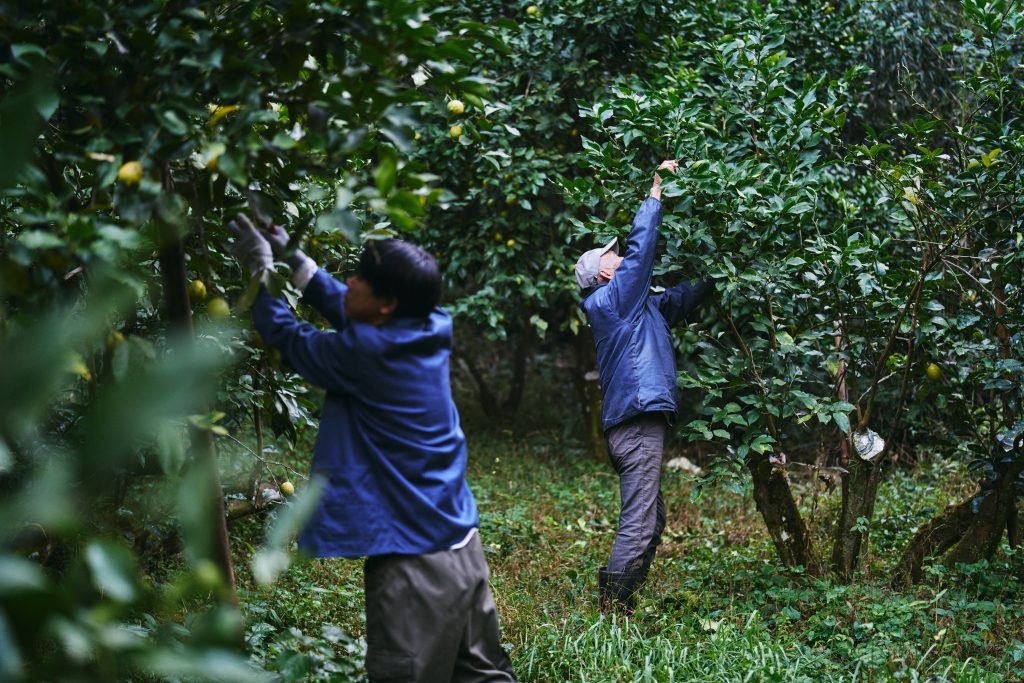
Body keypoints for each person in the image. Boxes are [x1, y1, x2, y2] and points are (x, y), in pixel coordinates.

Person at [229, 215, 517, 683]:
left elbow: (289, 337)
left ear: (386, 304)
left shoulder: (366, 355)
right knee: (484, 675)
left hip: (414, 565)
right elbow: (353, 312)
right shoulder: (428, 325)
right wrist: (295, 260)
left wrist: (261, 273)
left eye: (359, 277)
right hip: (461, 544)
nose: (348, 281)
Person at [574, 160, 713, 613]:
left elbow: (675, 301)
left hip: (632, 421)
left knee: (651, 520)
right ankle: (612, 608)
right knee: (638, 522)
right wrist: (655, 193)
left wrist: (720, 272)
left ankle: (621, 599)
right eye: (612, 256)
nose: (619, 256)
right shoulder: (610, 300)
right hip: (636, 422)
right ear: (605, 274)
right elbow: (641, 253)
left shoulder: (635, 306)